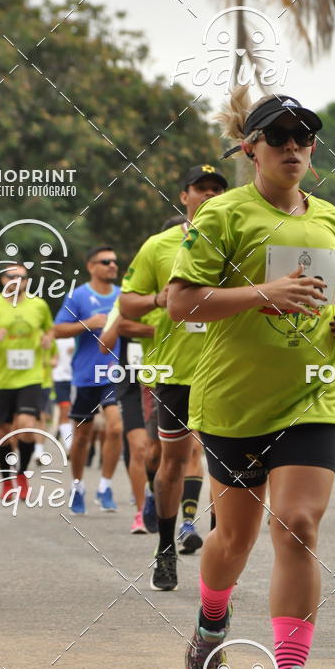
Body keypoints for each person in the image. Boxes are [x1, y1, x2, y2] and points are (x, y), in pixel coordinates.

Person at [168, 90, 335, 669]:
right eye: (278, 136)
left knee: (298, 524)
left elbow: (326, 303)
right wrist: (264, 293)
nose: (293, 147)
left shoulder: (331, 218)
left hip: (313, 391)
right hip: (234, 399)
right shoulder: (222, 215)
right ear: (249, 147)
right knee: (235, 538)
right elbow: (181, 304)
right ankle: (212, 618)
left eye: (304, 136)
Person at [119, 165, 228, 590]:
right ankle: (165, 547)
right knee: (172, 465)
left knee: (225, 467)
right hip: (174, 372)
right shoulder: (159, 246)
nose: (210, 196)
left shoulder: (238, 243)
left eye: (218, 190)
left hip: (226, 370)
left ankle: (221, 557)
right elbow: (127, 304)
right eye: (201, 190)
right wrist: (155, 298)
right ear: (184, 196)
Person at [53, 246, 122, 514]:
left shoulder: (121, 296)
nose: (112, 266)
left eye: (114, 261)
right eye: (106, 261)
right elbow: (58, 330)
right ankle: (78, 486)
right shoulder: (78, 296)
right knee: (82, 436)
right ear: (91, 266)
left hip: (114, 373)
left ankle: (105, 486)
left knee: (115, 428)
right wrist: (88, 323)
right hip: (85, 374)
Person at [0, 263, 54, 499]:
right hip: (1, 378)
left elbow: (50, 330)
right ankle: (7, 480)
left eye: (23, 278)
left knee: (26, 426)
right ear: (3, 280)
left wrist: (47, 339)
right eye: (12, 277)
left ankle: (22, 474)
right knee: (0, 432)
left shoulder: (39, 305)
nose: (18, 281)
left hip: (30, 376)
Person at [99, 300, 156, 533]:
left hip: (165, 380)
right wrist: (123, 316)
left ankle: (159, 498)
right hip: (131, 382)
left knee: (160, 452)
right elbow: (105, 345)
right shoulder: (124, 303)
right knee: (139, 447)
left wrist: (149, 330)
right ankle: (141, 512)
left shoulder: (169, 298)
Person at [52, 336, 74, 452]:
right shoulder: (56, 336)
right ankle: (70, 446)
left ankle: (61, 432)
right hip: (60, 379)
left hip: (77, 379)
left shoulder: (81, 334)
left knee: (75, 415)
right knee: (65, 411)